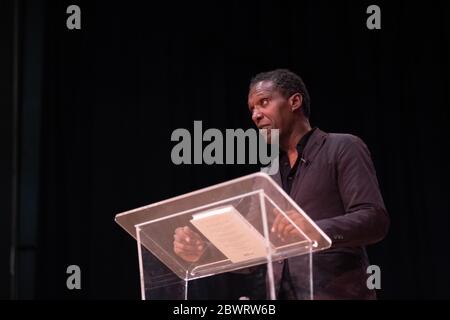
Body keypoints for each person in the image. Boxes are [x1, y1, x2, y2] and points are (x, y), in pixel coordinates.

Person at [173, 69, 390, 299]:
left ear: (294, 101)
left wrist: (315, 231)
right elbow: (254, 250)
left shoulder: (342, 147)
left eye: (263, 102)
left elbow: (374, 219)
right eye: (252, 109)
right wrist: (203, 252)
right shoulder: (268, 174)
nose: (255, 115)